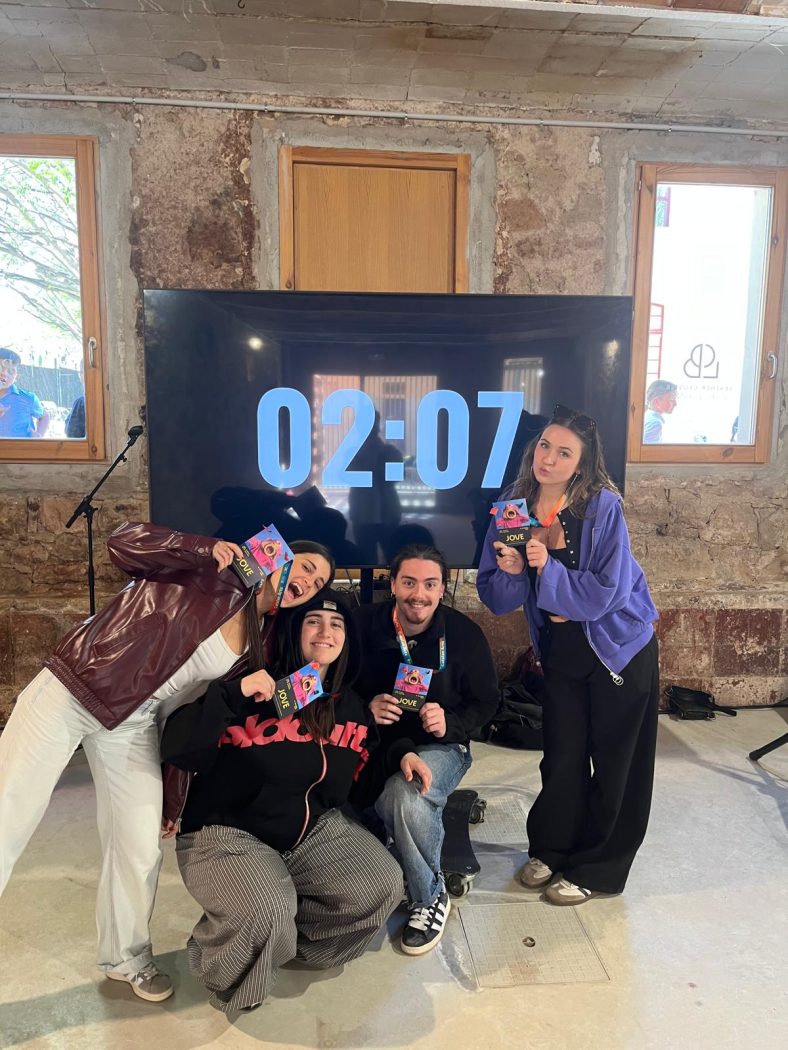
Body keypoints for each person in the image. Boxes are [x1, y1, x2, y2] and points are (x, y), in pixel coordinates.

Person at [0, 523, 333, 1002]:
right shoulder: (213, 571)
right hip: (74, 690)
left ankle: (125, 959)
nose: (308, 582)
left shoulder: (261, 639)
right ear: (280, 555)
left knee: (138, 847)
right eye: (306, 567)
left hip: (135, 724)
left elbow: (192, 714)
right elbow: (121, 543)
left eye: (319, 583)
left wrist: (173, 796)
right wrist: (202, 549)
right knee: (10, 813)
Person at [160, 590, 426, 1013]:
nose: (325, 632)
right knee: (265, 908)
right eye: (312, 621)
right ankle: (234, 959)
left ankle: (277, 942)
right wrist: (232, 696)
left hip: (310, 831)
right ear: (293, 630)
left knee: (382, 884)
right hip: (225, 831)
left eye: (336, 624)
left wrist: (401, 754)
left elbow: (361, 774)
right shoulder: (254, 684)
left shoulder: (350, 705)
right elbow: (178, 746)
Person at [477, 405, 659, 906]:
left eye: (563, 452)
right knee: (562, 755)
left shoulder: (602, 507)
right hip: (560, 650)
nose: (549, 459)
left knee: (617, 762)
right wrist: (514, 570)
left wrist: (547, 569)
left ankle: (598, 867)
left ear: (581, 463)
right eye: (544, 446)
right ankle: (552, 849)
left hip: (617, 648)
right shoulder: (512, 506)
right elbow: (496, 596)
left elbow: (607, 592)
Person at [351, 545, 499, 955]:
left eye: (430, 584)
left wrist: (452, 722)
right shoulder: (361, 625)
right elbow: (334, 685)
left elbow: (488, 701)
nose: (419, 594)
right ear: (393, 584)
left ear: (442, 588)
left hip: (440, 747)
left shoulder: (464, 635)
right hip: (374, 743)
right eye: (409, 582)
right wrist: (365, 708)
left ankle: (429, 895)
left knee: (405, 794)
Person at [0, 347, 50, 438]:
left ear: (16, 377)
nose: (4, 373)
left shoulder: (28, 398)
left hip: (22, 447)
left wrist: (39, 436)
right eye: (1, 368)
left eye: (10, 371)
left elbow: (44, 417)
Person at [642, 379, 678, 444]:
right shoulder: (655, 423)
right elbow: (648, 450)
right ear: (656, 402)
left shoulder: (649, 416)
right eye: (672, 399)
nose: (675, 404)